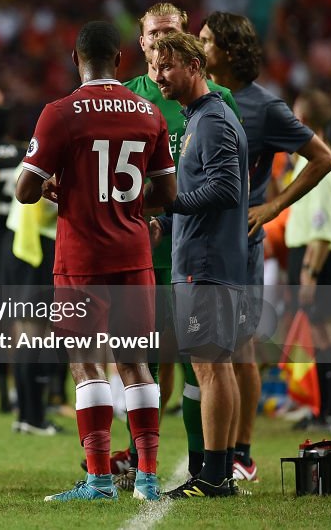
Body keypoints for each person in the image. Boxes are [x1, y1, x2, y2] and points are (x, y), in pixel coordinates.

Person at [16, 21, 176, 502]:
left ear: (75, 59)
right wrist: (125, 208)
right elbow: (167, 194)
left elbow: (25, 191)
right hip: (133, 254)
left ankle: (100, 479)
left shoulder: (61, 113)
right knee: (136, 365)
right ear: (121, 59)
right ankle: (147, 478)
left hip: (81, 256)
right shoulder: (147, 112)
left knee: (87, 366)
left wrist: (59, 186)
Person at [199, 12, 331, 482]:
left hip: (243, 245)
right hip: (198, 243)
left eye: (206, 40)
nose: (200, 47)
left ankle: (241, 453)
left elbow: (323, 158)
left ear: (232, 51)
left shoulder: (263, 106)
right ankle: (214, 453)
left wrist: (274, 205)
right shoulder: (199, 100)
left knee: (239, 351)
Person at [122, 2, 241, 486]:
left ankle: (205, 465)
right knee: (141, 362)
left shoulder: (214, 103)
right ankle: (139, 462)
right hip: (143, 254)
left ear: (189, 47)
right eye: (152, 38)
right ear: (141, 40)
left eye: (169, 38)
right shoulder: (127, 95)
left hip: (198, 254)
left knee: (202, 367)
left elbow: (226, 179)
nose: (157, 47)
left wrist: (168, 209)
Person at [149, 32, 249, 499]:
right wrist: (168, 224)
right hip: (204, 258)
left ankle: (213, 476)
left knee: (210, 367)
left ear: (194, 65)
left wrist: (173, 206)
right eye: (154, 64)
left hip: (206, 264)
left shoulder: (212, 121)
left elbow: (226, 190)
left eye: (166, 65)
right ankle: (218, 472)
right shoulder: (202, 118)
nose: (158, 74)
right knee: (217, 366)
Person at [285, 94, 331, 433]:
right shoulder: (308, 164)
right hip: (315, 258)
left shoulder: (323, 168)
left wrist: (309, 273)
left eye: (295, 117)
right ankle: (327, 411)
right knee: (323, 343)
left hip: (324, 261)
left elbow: (321, 231)